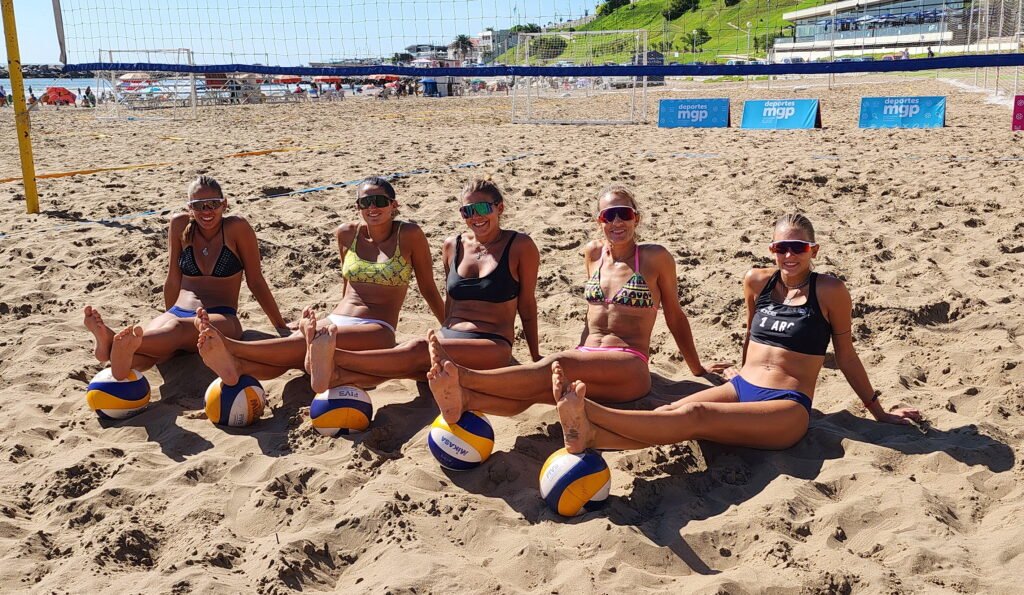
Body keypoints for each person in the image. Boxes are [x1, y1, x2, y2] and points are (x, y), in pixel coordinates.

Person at [545, 213, 923, 456]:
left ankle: (589, 413)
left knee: (694, 412)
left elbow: (846, 355)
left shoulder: (829, 291)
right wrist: (739, 370)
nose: (789, 255)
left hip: (787, 406)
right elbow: (750, 336)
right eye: (781, 248)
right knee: (669, 410)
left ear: (813, 250)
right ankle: (591, 438)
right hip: (743, 386)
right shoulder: (757, 281)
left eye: (798, 248)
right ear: (772, 250)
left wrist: (878, 411)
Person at [425, 185, 726, 424]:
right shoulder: (593, 253)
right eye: (608, 216)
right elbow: (592, 316)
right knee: (543, 389)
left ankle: (462, 377)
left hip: (629, 363)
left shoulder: (654, 257)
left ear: (637, 217)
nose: (616, 222)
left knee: (559, 364)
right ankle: (467, 401)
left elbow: (674, 315)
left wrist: (697, 369)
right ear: (599, 221)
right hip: (587, 357)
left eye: (623, 214)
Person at [195, 177, 445, 386]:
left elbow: (427, 288)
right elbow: (347, 286)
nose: (373, 208)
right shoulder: (347, 233)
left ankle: (233, 349)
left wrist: (448, 330)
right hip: (338, 317)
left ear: (394, 205)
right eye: (365, 202)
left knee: (304, 343)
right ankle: (239, 367)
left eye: (379, 201)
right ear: (358, 206)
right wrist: (328, 318)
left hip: (377, 326)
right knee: (301, 350)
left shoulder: (410, 235)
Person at [304, 178, 540, 393]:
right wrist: (443, 330)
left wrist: (535, 355)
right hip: (450, 334)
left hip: (492, 342)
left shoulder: (520, 246)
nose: (475, 217)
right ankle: (339, 374)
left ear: (499, 208)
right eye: (467, 211)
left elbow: (527, 305)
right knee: (419, 370)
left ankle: (336, 357)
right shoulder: (453, 245)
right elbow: (451, 301)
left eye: (482, 208)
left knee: (418, 349)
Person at [84, 175, 287, 381]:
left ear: (224, 204)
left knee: (175, 330)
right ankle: (115, 349)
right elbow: (173, 279)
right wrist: (168, 322)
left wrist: (280, 325)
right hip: (178, 311)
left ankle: (110, 343)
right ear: (190, 208)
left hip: (220, 316)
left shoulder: (236, 227)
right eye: (199, 206)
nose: (207, 211)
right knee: (157, 354)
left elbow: (256, 281)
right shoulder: (179, 224)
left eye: (213, 204)